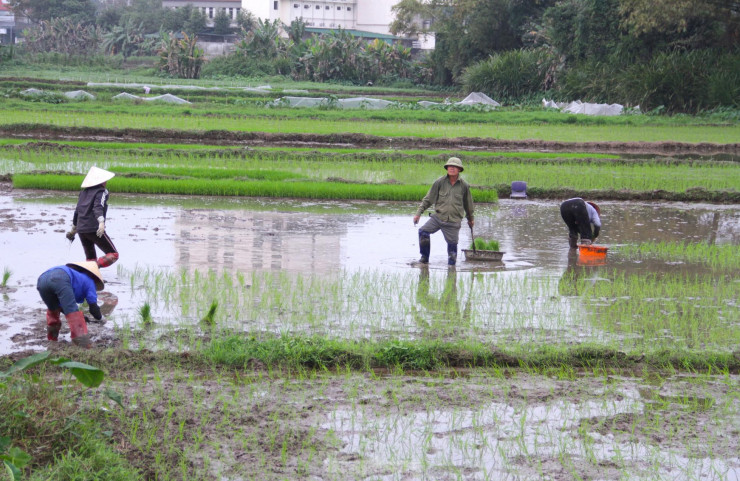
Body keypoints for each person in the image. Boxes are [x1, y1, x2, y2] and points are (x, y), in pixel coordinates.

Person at [413, 157, 474, 265]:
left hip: (453, 221)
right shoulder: (439, 182)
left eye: (455, 167)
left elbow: (468, 204)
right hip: (438, 217)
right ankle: (424, 258)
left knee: (452, 256)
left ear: (459, 169)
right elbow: (428, 199)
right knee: (423, 231)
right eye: (450, 166)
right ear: (447, 168)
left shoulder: (464, 186)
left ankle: (451, 272)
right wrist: (418, 213)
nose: (452, 168)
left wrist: (471, 219)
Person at [36, 261, 104, 348]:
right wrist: (100, 318)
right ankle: (83, 345)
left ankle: (52, 340)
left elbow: (63, 306)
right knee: (73, 312)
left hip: (42, 280)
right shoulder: (90, 281)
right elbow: (93, 308)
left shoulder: (76, 275)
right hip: (61, 278)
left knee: (53, 310)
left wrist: (82, 317)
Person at [66, 166, 119, 268]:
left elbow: (77, 210)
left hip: (81, 229)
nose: (106, 182)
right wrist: (101, 222)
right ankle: (92, 268)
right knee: (113, 254)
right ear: (101, 181)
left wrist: (73, 229)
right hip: (93, 228)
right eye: (105, 180)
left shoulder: (83, 192)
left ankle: (91, 274)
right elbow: (98, 206)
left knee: (90, 259)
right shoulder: (102, 191)